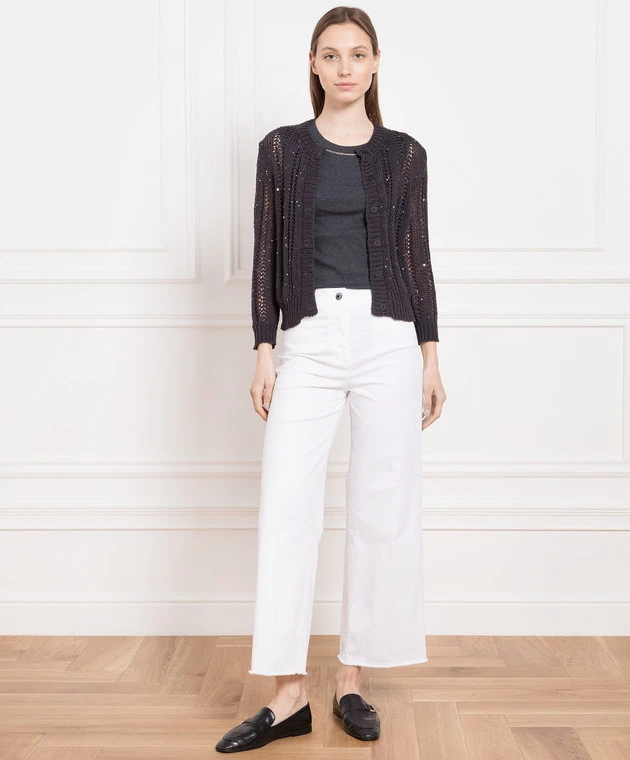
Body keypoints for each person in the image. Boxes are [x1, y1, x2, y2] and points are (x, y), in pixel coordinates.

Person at [216, 5, 446, 754]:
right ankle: (288, 695)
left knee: (381, 507)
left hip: (388, 339)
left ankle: (350, 679)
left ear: (375, 65)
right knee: (288, 505)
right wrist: (263, 349)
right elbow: (265, 253)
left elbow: (417, 256)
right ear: (314, 66)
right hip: (309, 340)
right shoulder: (281, 150)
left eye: (357, 54)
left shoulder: (404, 155)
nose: (345, 67)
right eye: (331, 54)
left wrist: (430, 355)